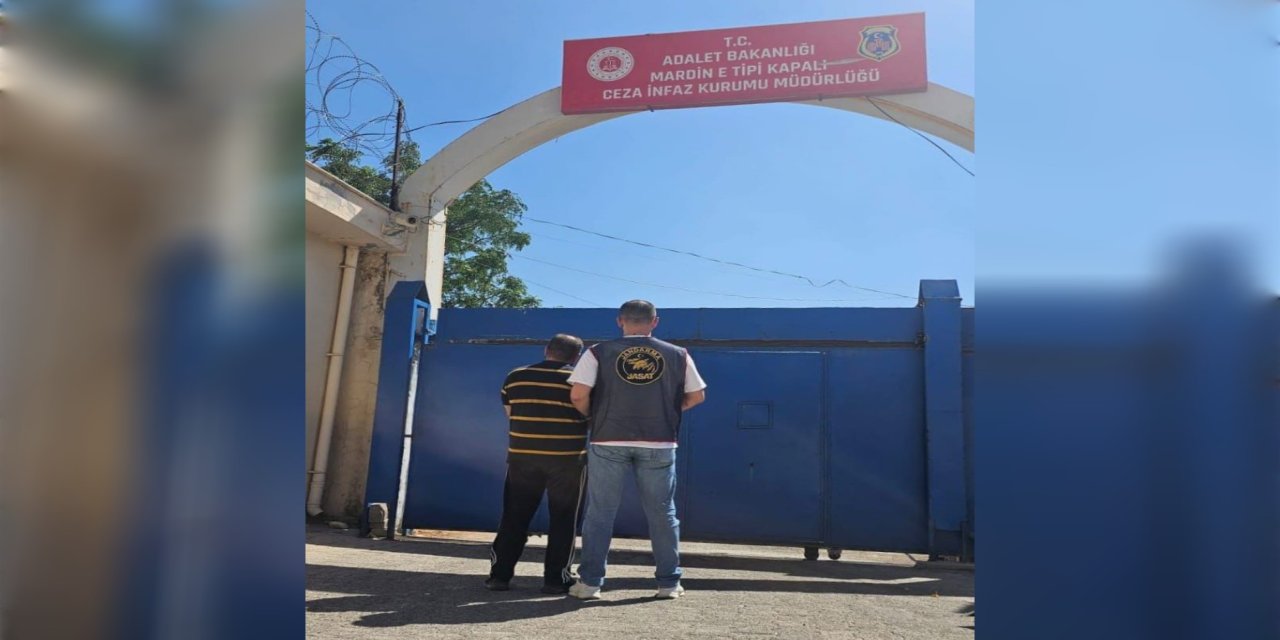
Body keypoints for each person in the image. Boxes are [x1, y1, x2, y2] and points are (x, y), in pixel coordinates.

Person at [566, 300, 707, 600]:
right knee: (662, 514)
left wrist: (595, 417)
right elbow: (696, 396)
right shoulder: (678, 354)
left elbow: (578, 395)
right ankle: (669, 583)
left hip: (608, 440)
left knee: (601, 513)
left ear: (620, 321)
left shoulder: (597, 352)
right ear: (655, 322)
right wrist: (670, 411)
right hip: (659, 441)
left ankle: (590, 583)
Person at [486, 333, 588, 594]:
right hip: (567, 460)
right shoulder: (581, 379)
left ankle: (500, 576)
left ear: (546, 350)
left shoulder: (516, 375)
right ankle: (556, 579)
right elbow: (589, 413)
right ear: (577, 356)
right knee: (564, 520)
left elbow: (510, 412)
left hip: (522, 456)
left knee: (514, 517)